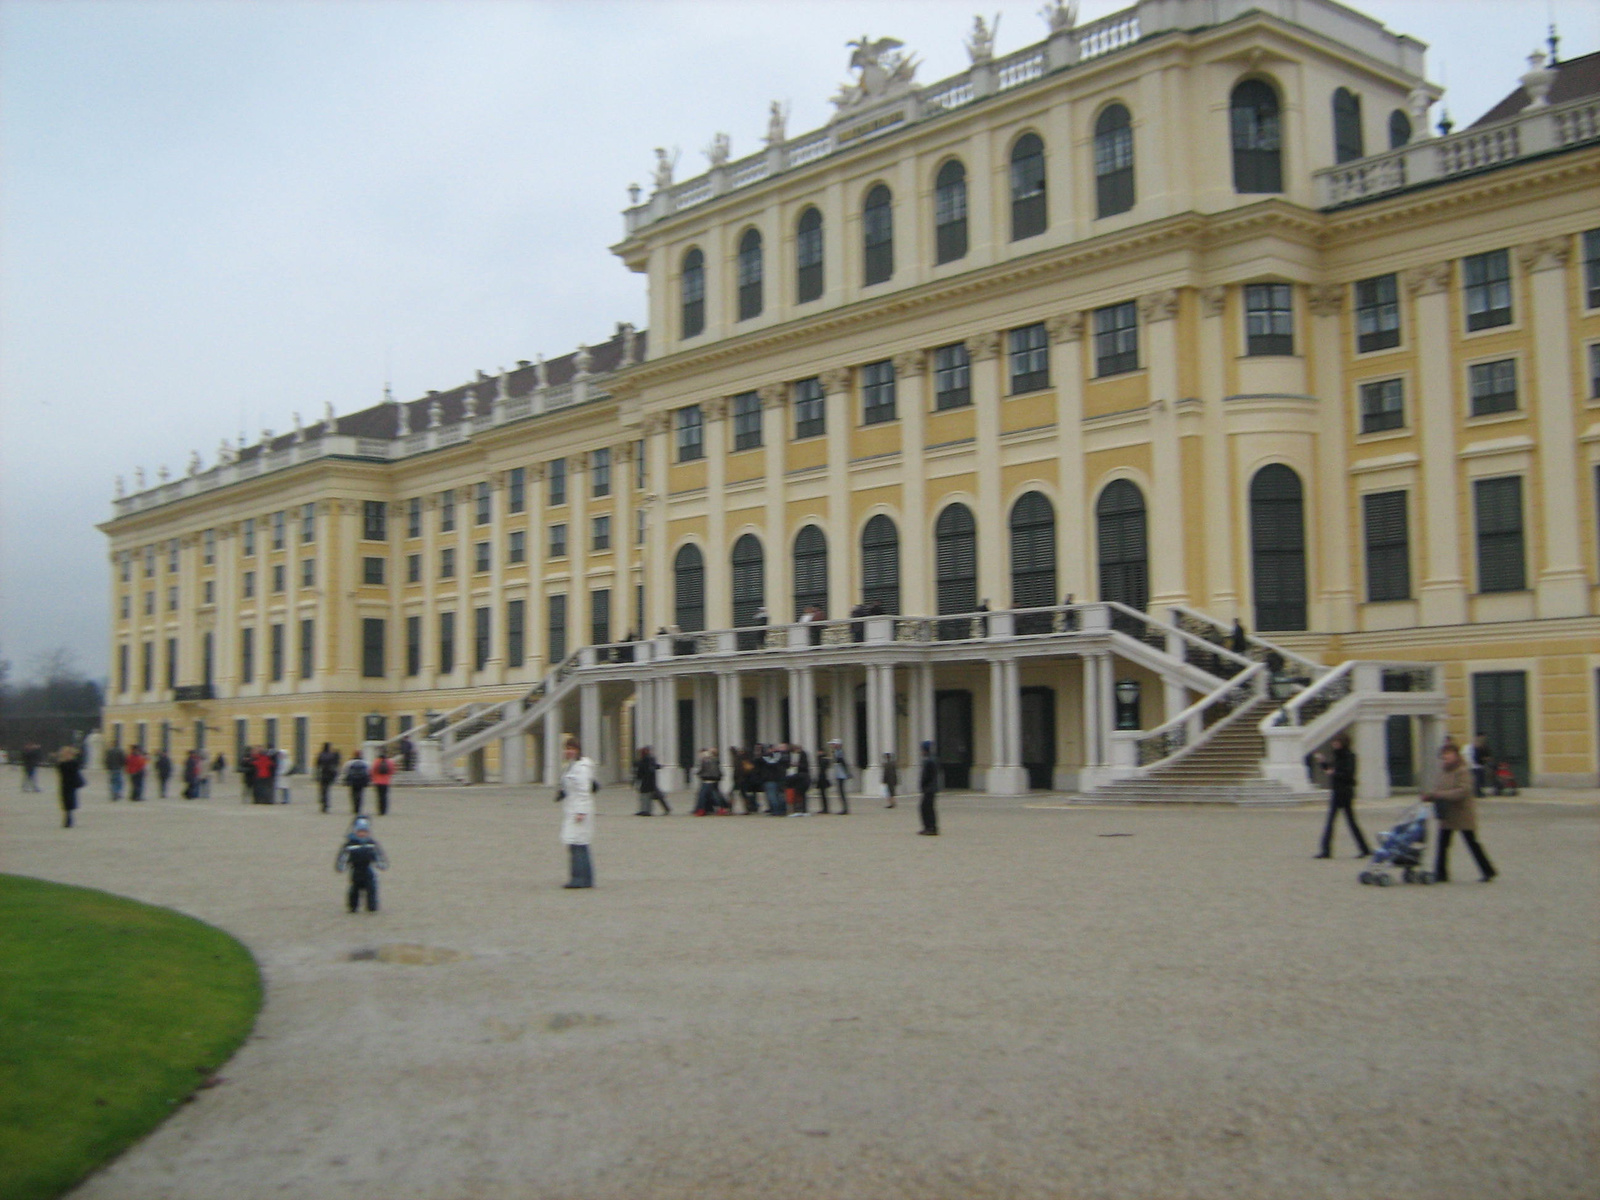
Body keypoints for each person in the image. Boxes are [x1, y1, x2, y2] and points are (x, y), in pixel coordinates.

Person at [1422, 742, 1498, 883]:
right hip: (1447, 814)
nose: (1446, 758)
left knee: (1472, 843)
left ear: (1456, 756)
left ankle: (1488, 870)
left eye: (1448, 755)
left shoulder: (1463, 771)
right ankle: (1441, 873)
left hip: (1462, 813)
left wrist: (1440, 795)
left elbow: (1463, 791)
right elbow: (1439, 789)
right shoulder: (1444, 772)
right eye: (1444, 756)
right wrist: (1431, 796)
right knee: (1442, 844)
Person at [1313, 733, 1370, 859]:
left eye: (1336, 742)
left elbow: (1348, 774)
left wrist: (1334, 773)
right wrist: (1323, 763)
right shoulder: (1338, 756)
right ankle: (1364, 848)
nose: (1334, 744)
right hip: (1338, 791)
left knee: (1341, 821)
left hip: (1344, 792)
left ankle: (1327, 850)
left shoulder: (1349, 756)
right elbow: (1331, 770)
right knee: (1345, 821)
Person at [558, 735, 596, 888]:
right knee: (578, 844)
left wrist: (581, 811)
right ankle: (585, 878)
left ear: (578, 750)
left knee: (578, 844)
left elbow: (583, 791)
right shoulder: (571, 766)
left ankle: (579, 878)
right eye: (567, 748)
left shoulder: (581, 767)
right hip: (572, 808)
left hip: (579, 810)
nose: (569, 751)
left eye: (572, 748)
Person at [335, 815, 389, 912]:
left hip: (368, 870)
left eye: (365, 832)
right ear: (355, 831)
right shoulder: (350, 844)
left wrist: (381, 864)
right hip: (356, 870)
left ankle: (372, 907)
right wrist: (341, 867)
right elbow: (343, 856)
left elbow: (378, 855)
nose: (362, 834)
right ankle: (353, 907)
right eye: (360, 831)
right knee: (354, 890)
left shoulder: (371, 843)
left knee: (371, 889)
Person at [56, 745, 85, 828]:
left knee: (69, 803)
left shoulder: (70, 763)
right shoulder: (63, 763)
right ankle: (68, 818)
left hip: (70, 785)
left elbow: (76, 767)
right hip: (65, 785)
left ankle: (68, 819)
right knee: (66, 803)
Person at [633, 745, 669, 815]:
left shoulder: (646, 759)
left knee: (647, 796)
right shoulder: (648, 759)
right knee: (650, 796)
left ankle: (646, 810)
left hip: (648, 781)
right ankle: (645, 810)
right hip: (649, 781)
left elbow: (645, 769)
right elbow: (653, 767)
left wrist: (638, 778)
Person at [918, 741, 940, 835]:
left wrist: (923, 785)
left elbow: (926, 776)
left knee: (926, 808)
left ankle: (930, 827)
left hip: (929, 788)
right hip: (931, 787)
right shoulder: (932, 759)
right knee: (928, 808)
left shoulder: (929, 761)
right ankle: (930, 827)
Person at [823, 740, 851, 815]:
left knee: (841, 792)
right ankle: (844, 808)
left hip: (840, 774)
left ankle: (845, 809)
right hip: (839, 773)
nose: (831, 746)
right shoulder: (837, 752)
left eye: (833, 744)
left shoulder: (839, 752)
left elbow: (841, 761)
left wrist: (847, 772)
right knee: (841, 792)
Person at [693, 748, 723, 815]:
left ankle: (701, 809)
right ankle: (720, 808)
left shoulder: (706, 761)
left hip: (707, 780)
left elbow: (702, 770)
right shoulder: (714, 761)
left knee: (703, 795)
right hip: (713, 780)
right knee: (714, 795)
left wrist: (699, 774)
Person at [760, 743, 785, 815]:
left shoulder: (764, 758)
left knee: (772, 796)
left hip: (770, 779)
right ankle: (781, 810)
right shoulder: (781, 757)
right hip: (779, 779)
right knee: (779, 796)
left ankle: (776, 811)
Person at [316, 743, 341, 813]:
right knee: (327, 790)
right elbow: (336, 763)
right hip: (329, 775)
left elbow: (317, 765)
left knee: (323, 790)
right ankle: (326, 804)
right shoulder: (331, 755)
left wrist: (316, 775)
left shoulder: (321, 755)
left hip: (323, 774)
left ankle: (324, 804)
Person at [787, 745, 811, 816]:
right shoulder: (796, 755)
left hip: (801, 777)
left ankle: (801, 810)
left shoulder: (802, 755)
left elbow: (804, 766)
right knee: (798, 794)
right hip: (798, 776)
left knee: (800, 794)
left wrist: (797, 765)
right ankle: (800, 809)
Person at [1467, 733, 1492, 797]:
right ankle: (1477, 792)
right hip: (1473, 766)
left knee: (1480, 780)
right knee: (1476, 779)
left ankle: (1479, 791)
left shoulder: (1484, 747)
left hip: (1480, 766)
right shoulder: (1470, 747)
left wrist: (1486, 759)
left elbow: (1488, 757)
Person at [371, 751, 395, 816]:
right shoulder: (389, 762)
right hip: (386, 781)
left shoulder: (376, 761)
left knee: (379, 796)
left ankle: (380, 810)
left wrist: (373, 778)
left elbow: (373, 771)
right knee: (385, 796)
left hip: (377, 781)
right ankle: (384, 810)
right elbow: (392, 771)